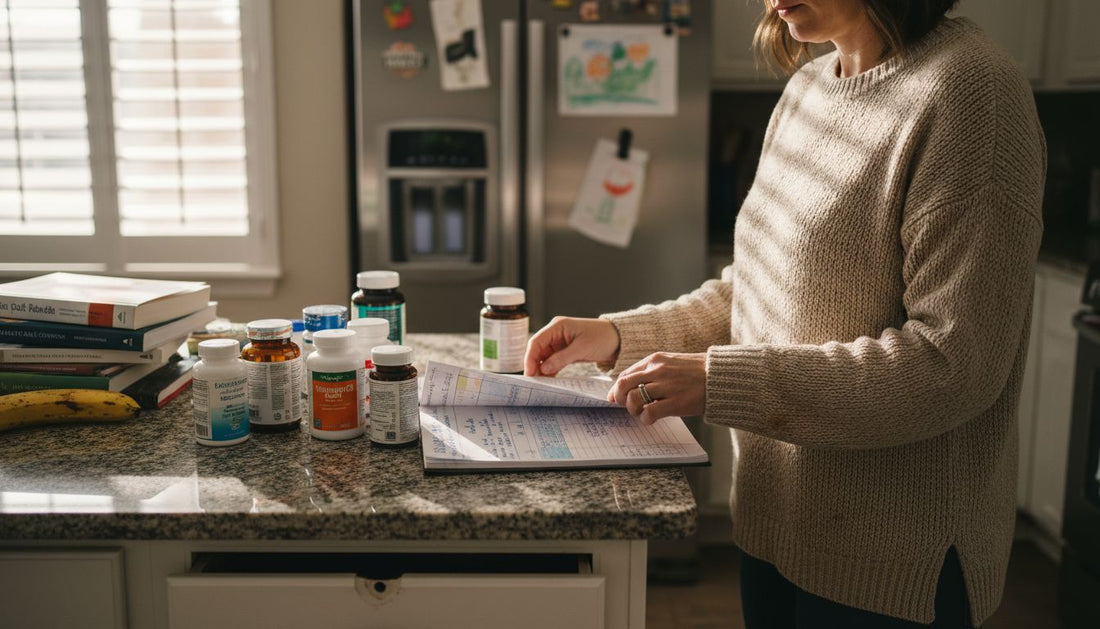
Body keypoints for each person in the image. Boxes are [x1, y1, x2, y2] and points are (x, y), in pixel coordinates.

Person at [524, 0, 1045, 627]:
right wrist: (618, 335)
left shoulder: (970, 91)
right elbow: (758, 289)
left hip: (890, 561)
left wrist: (722, 381)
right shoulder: (806, 90)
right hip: (774, 527)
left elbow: (951, 366)